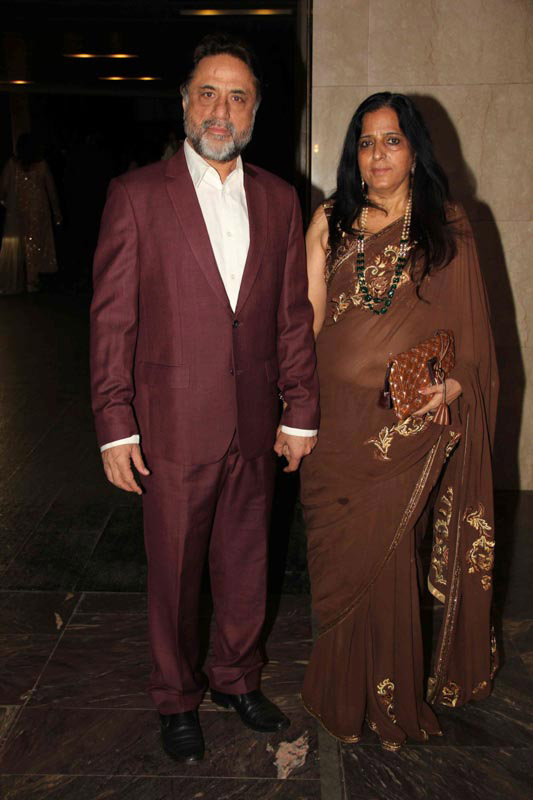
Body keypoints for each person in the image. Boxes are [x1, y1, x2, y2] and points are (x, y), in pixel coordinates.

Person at [90, 34, 319, 763]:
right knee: (175, 573)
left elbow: (291, 317)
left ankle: (235, 678)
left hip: (253, 423)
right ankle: (175, 695)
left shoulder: (280, 200)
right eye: (209, 93)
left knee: (248, 565)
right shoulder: (136, 195)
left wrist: (299, 410)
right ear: (185, 102)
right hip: (171, 428)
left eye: (238, 97)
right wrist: (115, 425)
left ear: (255, 111)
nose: (222, 110)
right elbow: (113, 320)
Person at [302, 92, 498, 750]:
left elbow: (473, 342)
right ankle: (337, 691)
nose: (378, 154)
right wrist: (291, 407)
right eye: (366, 141)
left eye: (392, 140)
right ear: (353, 153)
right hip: (332, 424)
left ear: (414, 151)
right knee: (336, 561)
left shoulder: (447, 226)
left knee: (387, 562)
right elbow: (305, 320)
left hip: (399, 429)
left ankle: (388, 701)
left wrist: (451, 385)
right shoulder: (330, 219)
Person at [0, 133, 62, 293]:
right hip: (37, 212)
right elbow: (52, 191)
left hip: (19, 213)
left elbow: (3, 189)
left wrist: (6, 204)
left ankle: (24, 280)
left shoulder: (12, 165)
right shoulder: (41, 165)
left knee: (22, 245)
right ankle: (31, 281)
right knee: (34, 245)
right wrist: (57, 214)